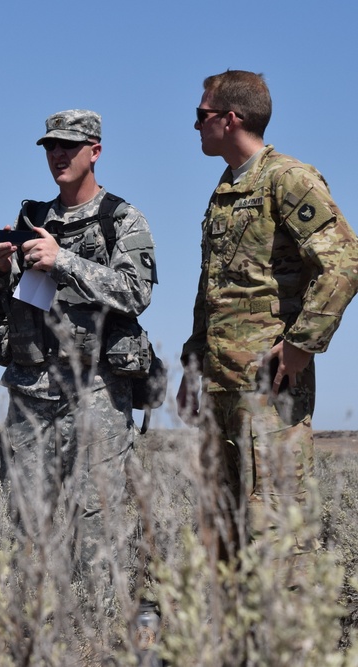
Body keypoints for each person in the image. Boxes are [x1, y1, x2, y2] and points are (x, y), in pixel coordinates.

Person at [0, 110, 157, 615]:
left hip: (96, 391)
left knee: (98, 521)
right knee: (26, 521)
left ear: (94, 151)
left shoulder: (122, 218)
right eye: (50, 147)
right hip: (32, 392)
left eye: (69, 147)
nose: (57, 155)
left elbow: (135, 292)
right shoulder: (32, 218)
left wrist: (65, 261)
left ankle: (99, 635)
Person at [177, 70, 358, 566]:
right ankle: (236, 643)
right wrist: (194, 369)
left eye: (202, 115)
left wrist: (303, 343)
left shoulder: (287, 178)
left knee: (279, 529)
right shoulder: (225, 190)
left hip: (269, 388)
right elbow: (214, 292)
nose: (195, 126)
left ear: (231, 119)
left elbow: (344, 261)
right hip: (221, 387)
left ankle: (286, 642)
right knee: (225, 535)